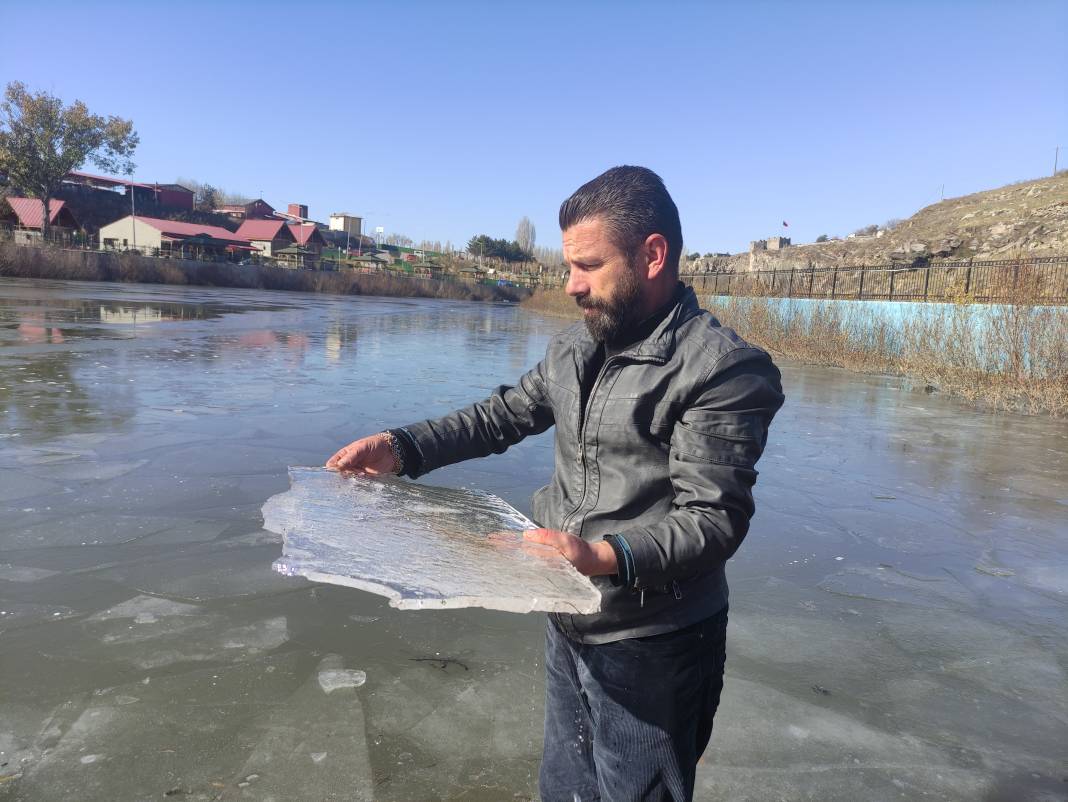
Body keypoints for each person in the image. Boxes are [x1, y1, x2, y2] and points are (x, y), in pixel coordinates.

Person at [326, 166, 785, 802]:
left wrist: (600, 555)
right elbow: (500, 416)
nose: (571, 286)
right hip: (570, 617)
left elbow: (712, 521)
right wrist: (401, 448)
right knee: (565, 788)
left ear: (652, 255)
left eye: (588, 266)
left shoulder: (723, 371)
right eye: (569, 266)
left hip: (655, 642)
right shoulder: (576, 347)